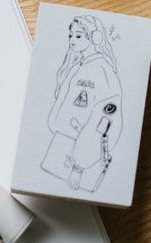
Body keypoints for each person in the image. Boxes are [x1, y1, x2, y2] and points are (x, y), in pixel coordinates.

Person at [41, 14, 122, 192]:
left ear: (95, 37)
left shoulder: (103, 71)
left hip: (79, 160)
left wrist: (80, 164)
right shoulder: (77, 66)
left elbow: (106, 121)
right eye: (71, 35)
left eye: (78, 36)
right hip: (60, 148)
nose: (72, 40)